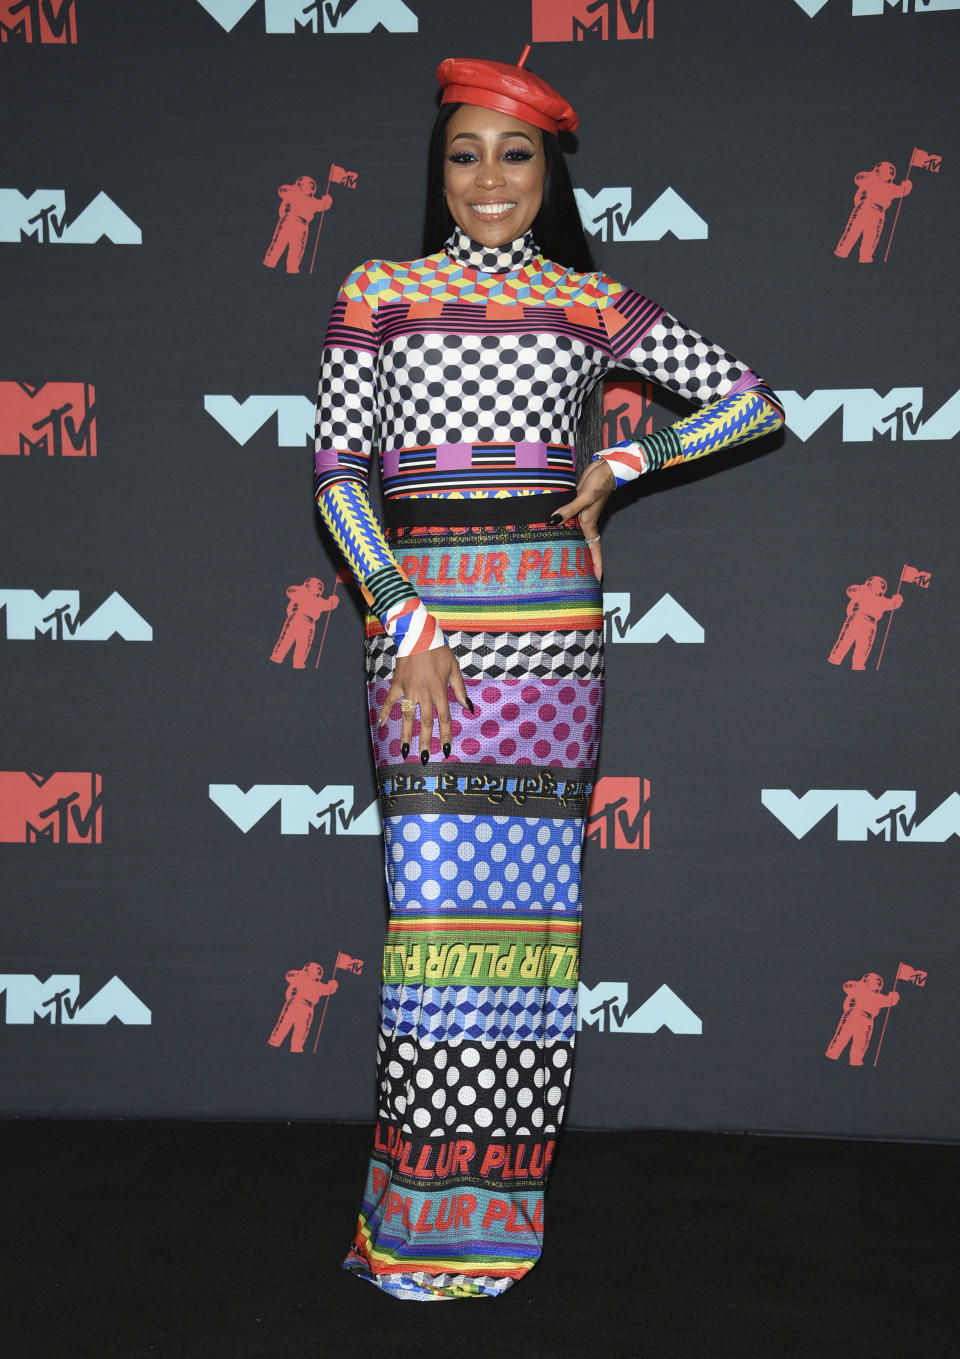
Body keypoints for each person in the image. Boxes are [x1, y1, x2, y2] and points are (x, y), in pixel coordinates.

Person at [313, 53, 783, 1301]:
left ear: (548, 170)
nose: (488, 179)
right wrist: (405, 618)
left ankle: (497, 1215)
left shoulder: (589, 303)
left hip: (552, 639)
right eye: (464, 153)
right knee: (430, 919)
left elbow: (748, 401)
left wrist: (624, 467)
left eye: (514, 154)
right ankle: (416, 1212)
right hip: (424, 633)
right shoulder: (381, 290)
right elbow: (338, 475)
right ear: (440, 168)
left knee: (528, 924)